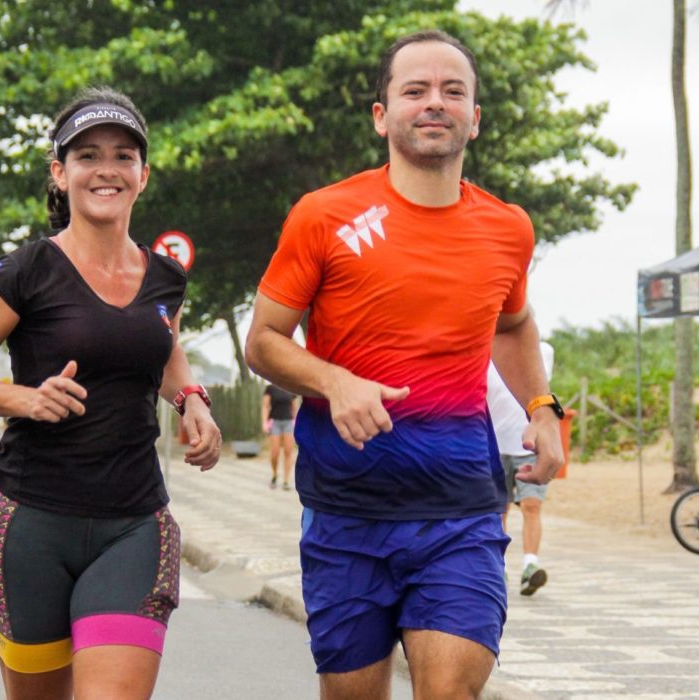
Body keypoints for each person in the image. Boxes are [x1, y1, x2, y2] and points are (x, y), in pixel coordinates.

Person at [245, 31, 564, 700]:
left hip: (461, 512)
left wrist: (542, 410)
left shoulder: (507, 228)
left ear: (475, 117)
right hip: (345, 514)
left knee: (450, 692)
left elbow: (513, 323)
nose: (434, 103)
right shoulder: (323, 216)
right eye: (414, 89)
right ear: (381, 114)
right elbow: (265, 340)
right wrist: (335, 381)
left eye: (453, 91)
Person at [0, 86, 221, 700]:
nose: (107, 169)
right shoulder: (26, 270)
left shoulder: (166, 277)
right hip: (28, 523)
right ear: (61, 175)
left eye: (123, 155)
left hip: (134, 524)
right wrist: (25, 398)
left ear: (143, 174)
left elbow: (160, 343)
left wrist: (191, 397)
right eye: (88, 155)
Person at [491, 342, 555, 596]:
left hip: (528, 444)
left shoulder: (543, 351)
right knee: (499, 510)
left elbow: (544, 395)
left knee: (532, 505)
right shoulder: (484, 352)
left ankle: (530, 565)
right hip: (493, 444)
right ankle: (500, 567)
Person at [262, 383, 299, 490]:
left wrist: (296, 422)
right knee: (275, 452)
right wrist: (264, 422)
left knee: (288, 451)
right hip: (275, 422)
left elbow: (294, 407)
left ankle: (286, 481)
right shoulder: (270, 388)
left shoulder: (290, 386)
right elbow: (265, 406)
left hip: (288, 423)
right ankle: (274, 474)